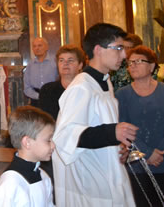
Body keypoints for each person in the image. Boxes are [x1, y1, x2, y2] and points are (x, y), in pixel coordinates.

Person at [52, 23, 138, 206]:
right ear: (98, 50)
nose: (124, 55)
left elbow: (98, 125)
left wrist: (118, 144)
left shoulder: (104, 82)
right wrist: (112, 133)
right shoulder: (81, 87)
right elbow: (66, 135)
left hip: (107, 168)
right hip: (89, 180)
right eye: (119, 48)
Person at [116, 45, 164, 207]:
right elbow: (123, 128)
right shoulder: (122, 94)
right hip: (137, 166)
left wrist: (159, 152)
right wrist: (148, 153)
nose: (133, 66)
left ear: (152, 66)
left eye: (138, 61)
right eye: (130, 63)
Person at [0, 106, 55, 207]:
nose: (53, 145)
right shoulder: (10, 184)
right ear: (27, 142)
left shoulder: (44, 177)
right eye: (48, 140)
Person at [38, 45, 85, 120]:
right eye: (61, 60)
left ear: (80, 65)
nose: (65, 63)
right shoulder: (47, 90)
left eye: (70, 60)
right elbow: (44, 121)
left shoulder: (87, 89)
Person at [23, 37, 58, 106]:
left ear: (47, 47)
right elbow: (27, 87)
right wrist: (38, 96)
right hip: (35, 100)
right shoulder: (30, 65)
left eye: (40, 45)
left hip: (53, 99)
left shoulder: (55, 62)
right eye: (34, 46)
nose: (37, 48)